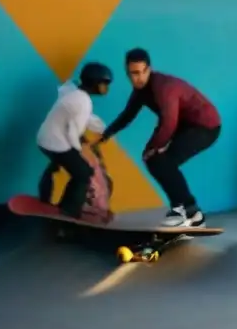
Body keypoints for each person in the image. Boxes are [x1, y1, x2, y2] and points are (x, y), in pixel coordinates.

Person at [99, 48, 221, 227]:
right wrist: (106, 134)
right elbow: (128, 115)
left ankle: (184, 210)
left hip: (206, 126)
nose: (139, 77)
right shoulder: (140, 91)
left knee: (162, 160)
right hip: (185, 125)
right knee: (157, 160)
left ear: (149, 69)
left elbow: (169, 122)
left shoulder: (164, 87)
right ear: (127, 73)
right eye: (134, 73)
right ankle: (191, 213)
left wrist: (153, 147)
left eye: (143, 72)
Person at [36, 62, 112, 219]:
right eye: (104, 83)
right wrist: (81, 151)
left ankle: (46, 200)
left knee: (56, 165)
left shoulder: (75, 94)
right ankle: (68, 211)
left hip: (47, 139)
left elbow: (86, 119)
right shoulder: (83, 101)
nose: (106, 88)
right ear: (94, 82)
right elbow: (73, 133)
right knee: (84, 173)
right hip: (56, 143)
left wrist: (103, 129)